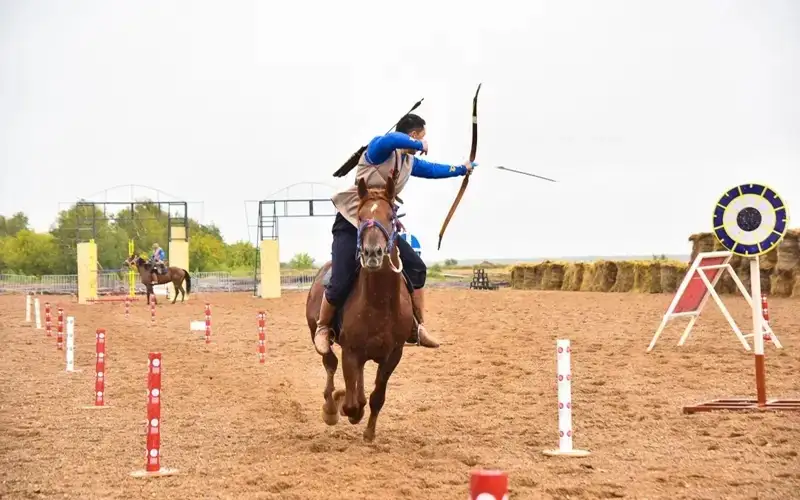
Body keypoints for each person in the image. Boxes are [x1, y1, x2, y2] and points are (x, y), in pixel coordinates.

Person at [313, 113, 477, 356]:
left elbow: (432, 170)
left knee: (417, 267)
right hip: (352, 222)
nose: (422, 144)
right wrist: (419, 144)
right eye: (421, 137)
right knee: (340, 278)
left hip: (382, 226)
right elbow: (389, 140)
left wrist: (460, 169)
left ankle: (417, 326)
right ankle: (324, 327)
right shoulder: (379, 150)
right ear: (412, 135)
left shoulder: (408, 163)